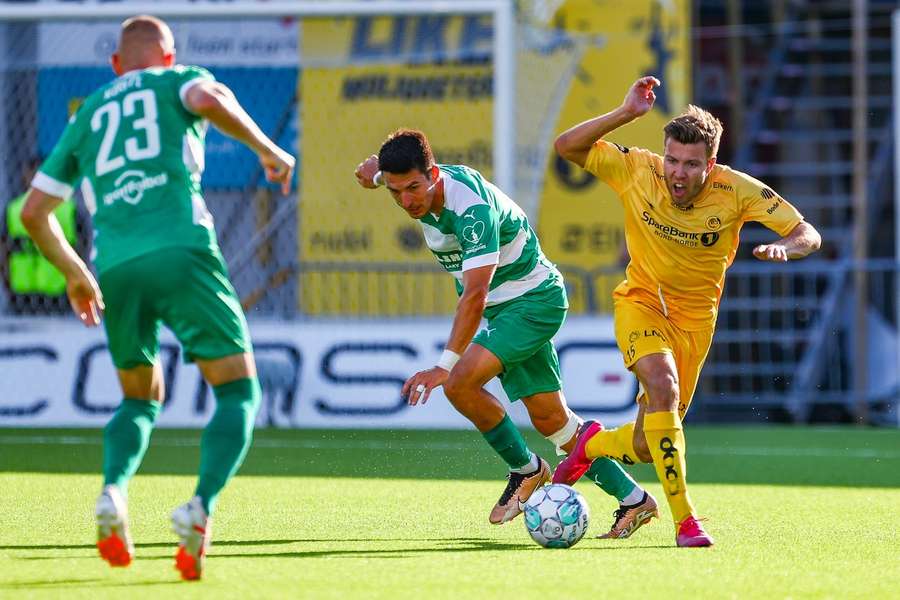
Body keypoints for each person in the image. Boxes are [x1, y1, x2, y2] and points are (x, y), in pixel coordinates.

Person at [21, 15, 295, 579]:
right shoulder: (177, 82)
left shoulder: (89, 112)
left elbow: (33, 214)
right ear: (167, 58)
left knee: (140, 398)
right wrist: (269, 151)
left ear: (116, 64)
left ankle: (113, 493)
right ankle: (199, 509)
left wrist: (75, 274)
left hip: (115, 266)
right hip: (183, 250)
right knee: (239, 392)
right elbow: (209, 95)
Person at [551, 76, 822, 547]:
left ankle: (590, 444)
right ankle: (685, 522)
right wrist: (625, 113)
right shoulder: (639, 169)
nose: (677, 173)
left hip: (695, 325)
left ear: (710, 165)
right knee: (663, 382)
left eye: (690, 165)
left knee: (644, 446)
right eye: (673, 159)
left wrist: (786, 248)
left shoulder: (736, 189)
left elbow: (806, 232)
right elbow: (567, 146)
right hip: (641, 302)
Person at [355, 129, 657, 538]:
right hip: (510, 309)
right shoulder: (407, 186)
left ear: (435, 174)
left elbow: (475, 294)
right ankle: (635, 500)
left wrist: (444, 365)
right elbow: (382, 174)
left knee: (459, 383)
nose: (408, 200)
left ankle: (526, 470)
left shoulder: (471, 211)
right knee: (554, 422)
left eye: (413, 188)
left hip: (533, 303)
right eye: (396, 192)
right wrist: (374, 175)